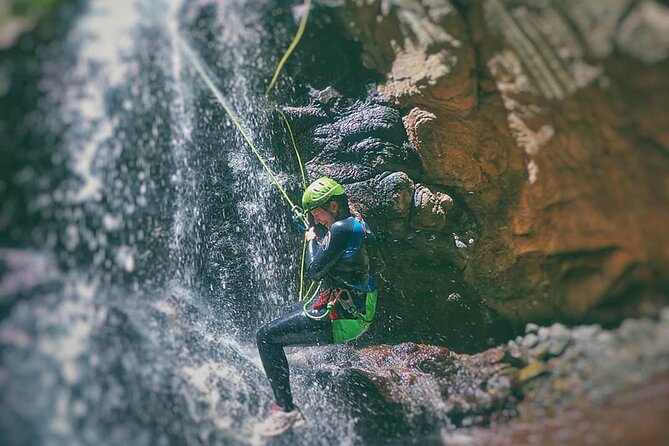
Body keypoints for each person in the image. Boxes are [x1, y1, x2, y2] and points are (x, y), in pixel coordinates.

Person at [255, 176, 380, 437]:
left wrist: (311, 239)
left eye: (317, 214)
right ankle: (283, 379)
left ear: (333, 206)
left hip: (345, 318)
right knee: (282, 318)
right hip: (351, 308)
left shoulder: (342, 229)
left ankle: (286, 410)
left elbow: (314, 270)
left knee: (265, 337)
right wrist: (315, 231)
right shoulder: (355, 223)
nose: (316, 220)